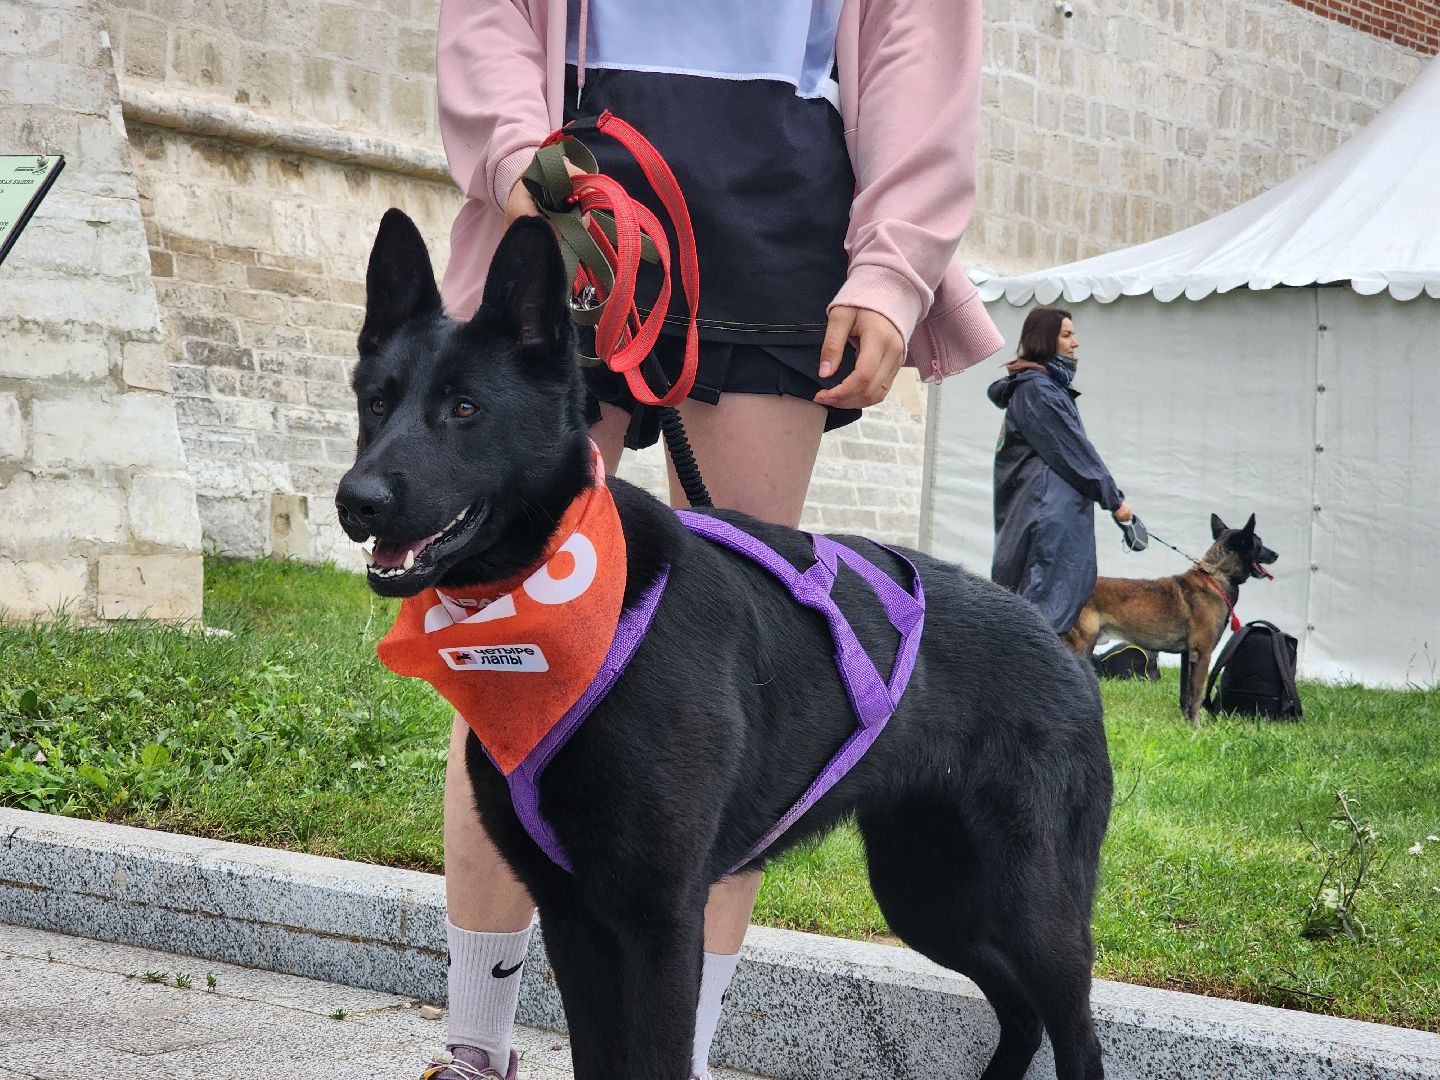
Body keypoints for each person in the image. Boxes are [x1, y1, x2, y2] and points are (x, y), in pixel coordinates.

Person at [423, 1, 1004, 1077]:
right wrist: (522, 162)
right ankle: (474, 1052)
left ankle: (671, 1060)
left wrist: (893, 266)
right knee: (504, 653)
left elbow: (918, 38)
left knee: (730, 679)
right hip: (569, 195)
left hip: (780, 214)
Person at [988, 306, 1135, 636]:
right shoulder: (1037, 390)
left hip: (1045, 514)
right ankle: (1021, 684)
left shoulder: (1041, 388)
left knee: (1037, 613)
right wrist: (1114, 500)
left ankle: (1026, 682)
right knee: (1037, 614)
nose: (1076, 343)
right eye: (1067, 335)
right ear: (1045, 340)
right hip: (1045, 519)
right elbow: (1074, 452)